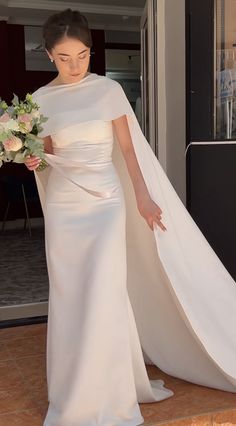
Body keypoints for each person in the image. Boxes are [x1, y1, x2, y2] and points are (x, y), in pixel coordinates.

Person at [25, 8, 236, 426]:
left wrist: (143, 197)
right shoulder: (39, 101)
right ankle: (73, 395)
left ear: (90, 51)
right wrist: (34, 160)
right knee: (70, 298)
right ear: (49, 54)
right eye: (65, 58)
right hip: (66, 208)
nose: (75, 65)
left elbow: (129, 151)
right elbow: (47, 153)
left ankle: (112, 392)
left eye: (83, 55)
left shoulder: (107, 91)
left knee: (104, 293)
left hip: (105, 203)